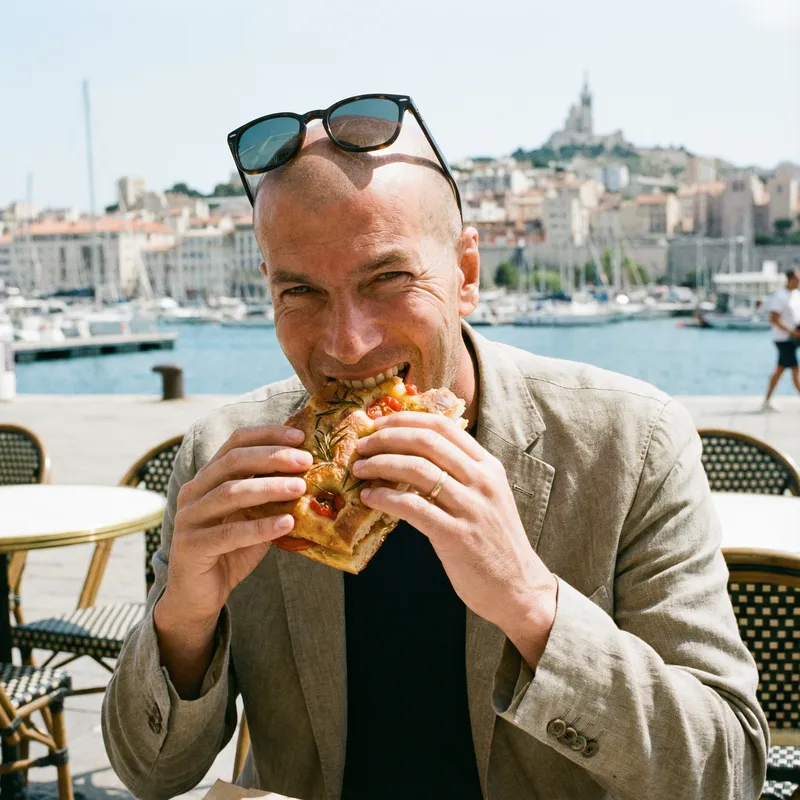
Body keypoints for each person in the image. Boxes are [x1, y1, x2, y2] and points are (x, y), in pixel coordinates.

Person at [102, 95, 768, 800]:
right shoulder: (222, 455)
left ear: (466, 275)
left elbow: (726, 773)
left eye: (387, 280)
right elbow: (149, 773)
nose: (346, 344)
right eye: (301, 291)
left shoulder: (631, 445)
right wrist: (184, 619)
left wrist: (530, 601)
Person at [763, 268, 800, 411]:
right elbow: (773, 319)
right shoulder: (780, 297)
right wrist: (792, 332)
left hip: (794, 337)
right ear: (790, 279)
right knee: (796, 369)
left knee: (779, 370)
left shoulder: (796, 295)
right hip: (784, 339)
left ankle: (767, 400)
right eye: (797, 278)